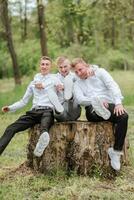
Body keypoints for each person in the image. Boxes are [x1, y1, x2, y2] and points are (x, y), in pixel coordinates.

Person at [0, 56, 64, 157]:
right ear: (40, 66)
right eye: (42, 64)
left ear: (50, 67)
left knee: (44, 129)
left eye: (47, 64)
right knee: (10, 128)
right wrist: (10, 108)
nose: (44, 66)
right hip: (33, 112)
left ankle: (41, 144)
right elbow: (23, 101)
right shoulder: (33, 83)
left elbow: (62, 96)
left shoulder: (55, 80)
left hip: (47, 111)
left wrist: (61, 89)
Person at [72, 58, 128, 171]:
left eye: (80, 69)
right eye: (76, 72)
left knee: (123, 116)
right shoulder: (77, 83)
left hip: (109, 104)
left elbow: (112, 85)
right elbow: (80, 100)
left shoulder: (100, 72)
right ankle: (99, 108)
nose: (79, 73)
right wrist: (96, 100)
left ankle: (116, 152)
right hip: (92, 107)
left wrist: (118, 103)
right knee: (92, 113)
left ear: (86, 65)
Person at [54, 56, 81, 122]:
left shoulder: (76, 77)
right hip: (62, 109)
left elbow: (80, 94)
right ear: (58, 68)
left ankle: (69, 94)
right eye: (60, 67)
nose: (63, 69)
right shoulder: (54, 78)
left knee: (71, 100)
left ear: (70, 66)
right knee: (58, 110)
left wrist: (65, 88)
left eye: (65, 66)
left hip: (74, 108)